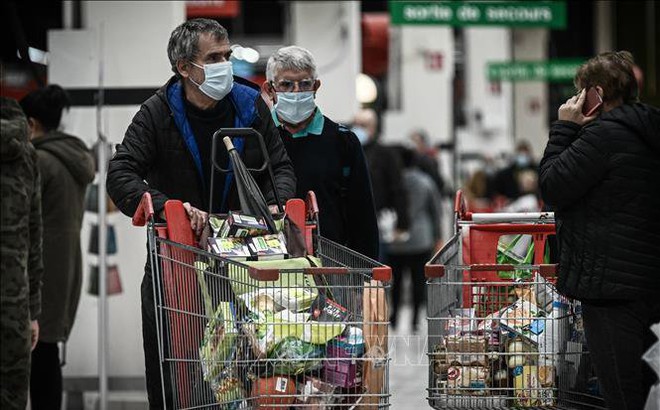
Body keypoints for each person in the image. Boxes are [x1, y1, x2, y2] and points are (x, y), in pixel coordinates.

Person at [106, 19, 296, 408]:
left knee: (247, 367)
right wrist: (167, 206)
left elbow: (281, 166)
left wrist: (278, 201)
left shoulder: (249, 104)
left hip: (246, 263)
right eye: (213, 57)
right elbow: (121, 172)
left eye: (227, 55)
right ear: (183, 67)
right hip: (177, 262)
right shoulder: (158, 113)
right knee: (176, 366)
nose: (225, 64)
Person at [539, 50, 660, 410]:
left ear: (598, 96)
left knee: (622, 395)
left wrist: (564, 127)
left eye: (582, 92)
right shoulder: (651, 130)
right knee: (650, 389)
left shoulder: (602, 138)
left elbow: (552, 186)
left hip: (610, 292)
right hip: (651, 284)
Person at [261, 46, 379, 259]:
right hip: (271, 261)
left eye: (305, 84)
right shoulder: (256, 139)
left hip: (331, 263)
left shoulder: (344, 141)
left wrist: (368, 275)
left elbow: (362, 213)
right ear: (270, 90)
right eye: (286, 84)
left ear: (316, 86)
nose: (296, 92)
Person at [20, 85, 95, 409]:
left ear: (31, 123)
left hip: (38, 270)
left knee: (38, 356)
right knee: (47, 353)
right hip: (66, 266)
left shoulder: (38, 160)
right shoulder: (73, 157)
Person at [0, 97, 43, 409]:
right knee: (12, 394)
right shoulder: (27, 154)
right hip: (13, 296)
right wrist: (32, 311)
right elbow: (34, 234)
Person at [387, 145, 442, 332]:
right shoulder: (425, 182)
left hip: (397, 240)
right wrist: (438, 236)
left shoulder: (393, 182)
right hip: (421, 240)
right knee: (419, 281)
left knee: (396, 282)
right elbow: (435, 211)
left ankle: (393, 317)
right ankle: (416, 319)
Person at [352, 108, 409, 262]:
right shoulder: (347, 151)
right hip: (350, 222)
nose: (358, 129)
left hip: (378, 221)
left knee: (376, 268)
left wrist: (402, 223)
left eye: (363, 125)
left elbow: (397, 188)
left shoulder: (386, 154)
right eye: (356, 124)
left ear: (373, 127)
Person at [408, 129, 445, 195]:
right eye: (412, 142)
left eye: (416, 142)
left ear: (422, 142)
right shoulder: (410, 158)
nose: (413, 145)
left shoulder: (429, 156)